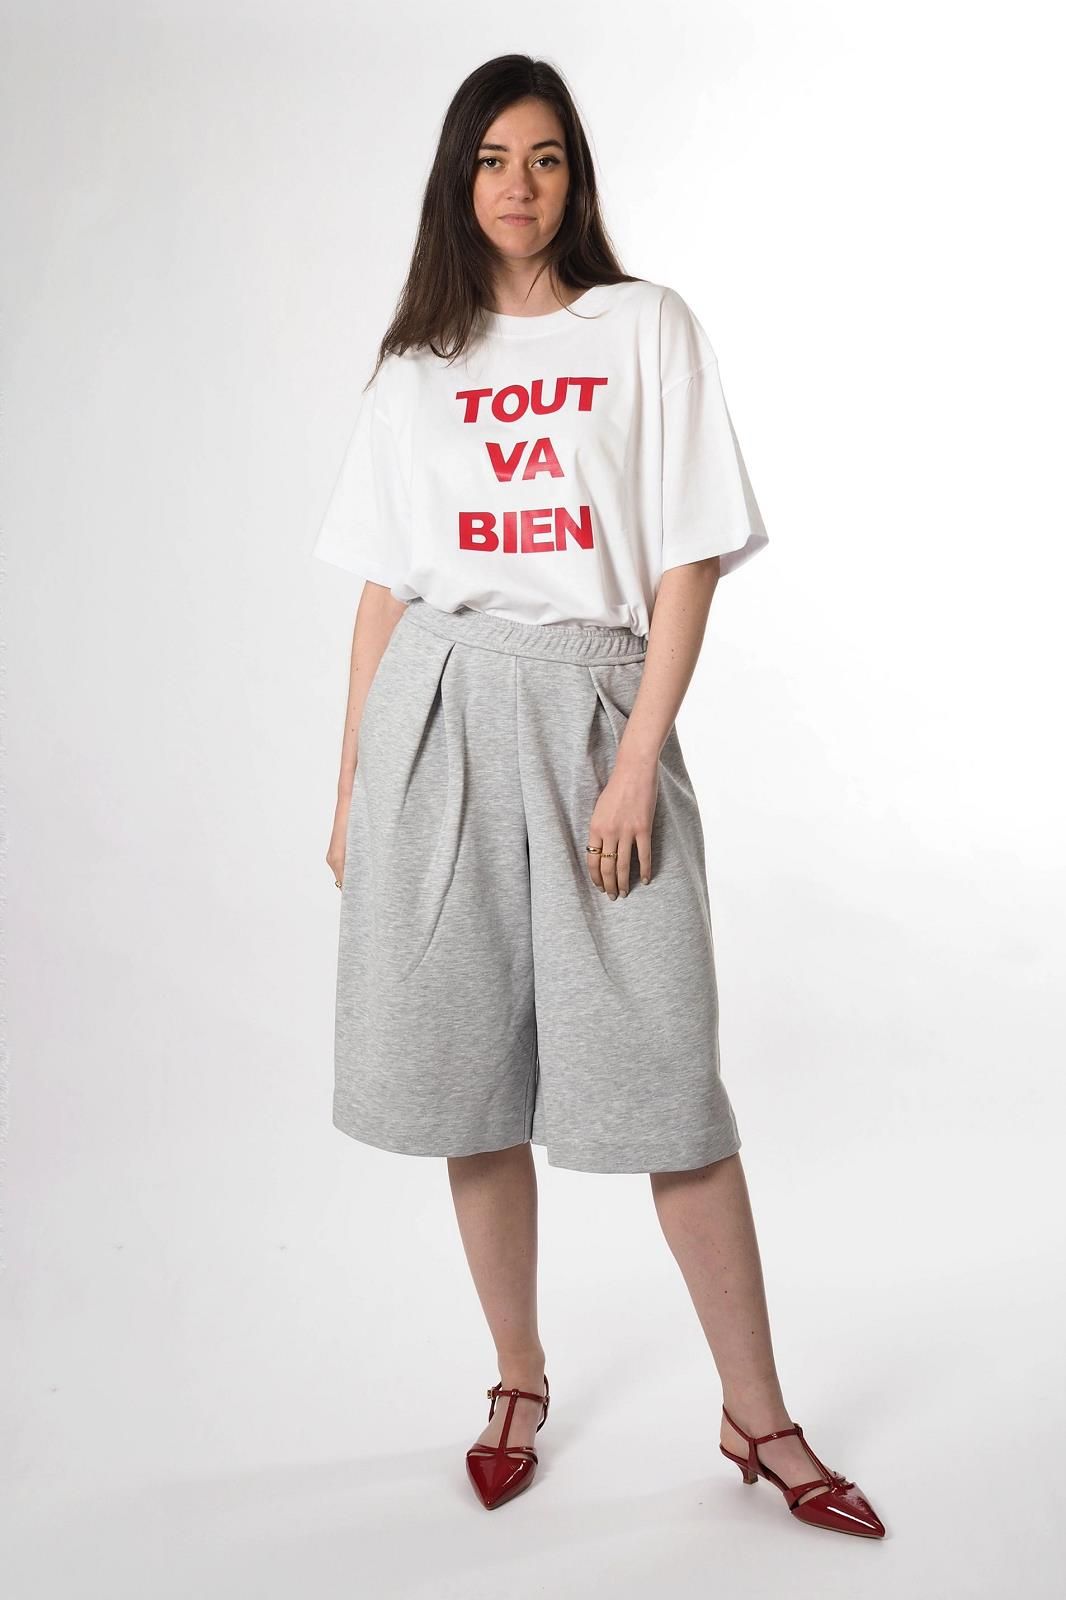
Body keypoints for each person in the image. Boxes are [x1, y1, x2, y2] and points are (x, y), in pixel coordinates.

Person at [311, 54, 886, 1536]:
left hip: (593, 706)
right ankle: (516, 1377)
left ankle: (758, 1415)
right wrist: (353, 786)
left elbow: (687, 555)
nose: (519, 185)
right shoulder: (417, 364)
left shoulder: (643, 328)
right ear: (458, 180)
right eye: (492, 159)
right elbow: (381, 592)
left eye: (547, 157)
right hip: (438, 712)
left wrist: (636, 761)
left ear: (577, 177)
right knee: (467, 1077)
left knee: (665, 1084)